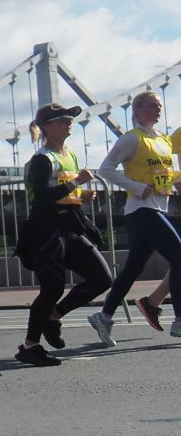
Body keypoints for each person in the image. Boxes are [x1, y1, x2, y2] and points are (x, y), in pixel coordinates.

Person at [12, 103, 109, 367]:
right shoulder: (42, 159)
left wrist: (82, 196)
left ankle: (53, 316)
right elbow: (42, 198)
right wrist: (76, 183)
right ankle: (30, 346)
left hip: (71, 227)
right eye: (63, 119)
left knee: (102, 278)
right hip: (46, 231)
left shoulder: (71, 155)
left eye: (70, 119)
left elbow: (65, 194)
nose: (69, 123)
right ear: (47, 126)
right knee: (52, 287)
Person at [85, 90, 180, 347]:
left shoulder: (164, 140)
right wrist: (136, 187)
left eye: (159, 106)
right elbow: (105, 168)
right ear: (136, 111)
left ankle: (103, 317)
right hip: (140, 209)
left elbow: (169, 175)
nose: (157, 109)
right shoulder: (131, 139)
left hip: (159, 207)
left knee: (132, 270)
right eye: (152, 106)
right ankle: (179, 320)